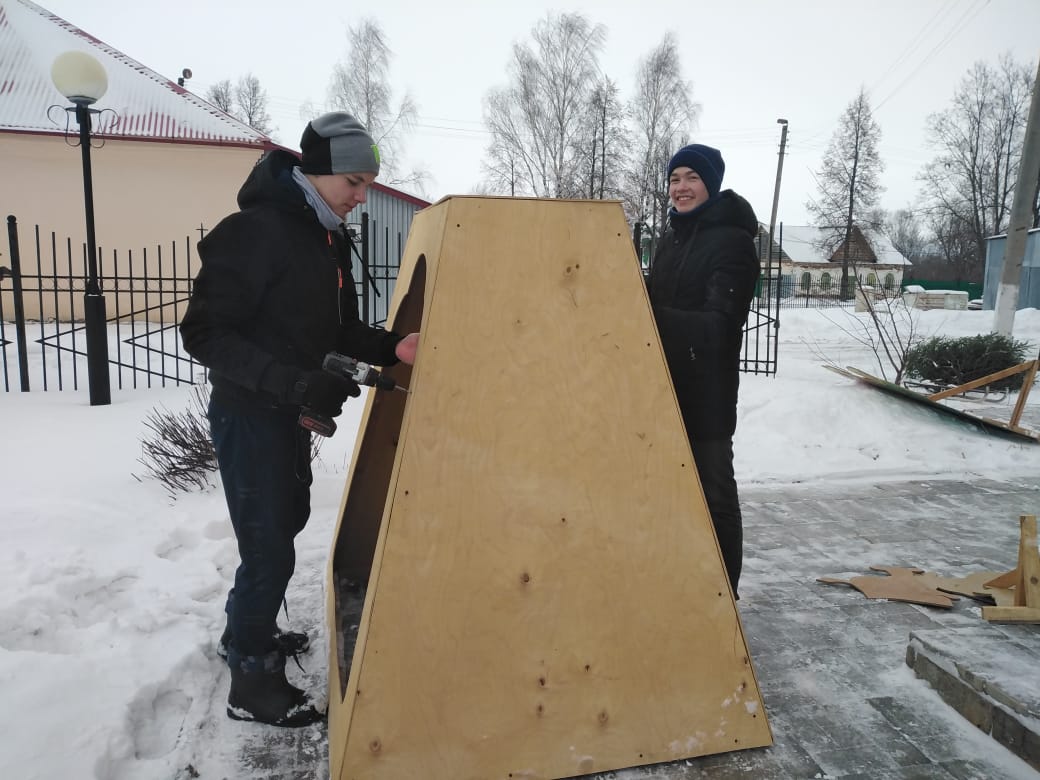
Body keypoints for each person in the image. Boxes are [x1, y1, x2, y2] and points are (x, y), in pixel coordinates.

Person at [180, 111, 419, 727]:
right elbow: (204, 333)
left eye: (367, 183)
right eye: (356, 183)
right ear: (318, 174)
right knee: (267, 548)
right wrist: (291, 382)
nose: (362, 197)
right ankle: (251, 682)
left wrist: (391, 346)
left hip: (289, 415)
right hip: (250, 412)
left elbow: (333, 328)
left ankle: (244, 636)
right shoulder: (254, 233)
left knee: (283, 525)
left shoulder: (324, 238)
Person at [646, 143, 760, 598]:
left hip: (707, 395)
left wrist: (649, 315)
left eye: (691, 178)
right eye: (674, 179)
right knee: (665, 494)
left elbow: (719, 325)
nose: (680, 188)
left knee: (714, 496)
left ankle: (722, 597)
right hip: (662, 390)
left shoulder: (732, 242)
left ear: (710, 184)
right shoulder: (672, 239)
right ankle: (678, 586)